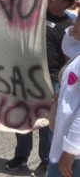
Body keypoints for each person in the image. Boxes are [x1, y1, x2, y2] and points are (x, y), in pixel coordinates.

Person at [5, 0, 79, 173]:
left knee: (48, 124)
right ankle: (21, 156)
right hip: (24, 76)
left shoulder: (69, 28)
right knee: (21, 118)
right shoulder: (36, 13)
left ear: (68, 3)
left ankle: (46, 159)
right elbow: (16, 0)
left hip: (50, 80)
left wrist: (62, 87)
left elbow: (70, 59)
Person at [45, 13, 80, 177]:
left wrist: (71, 150)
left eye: (77, 24)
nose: (73, 26)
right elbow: (68, 43)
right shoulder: (77, 53)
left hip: (73, 151)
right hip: (65, 142)